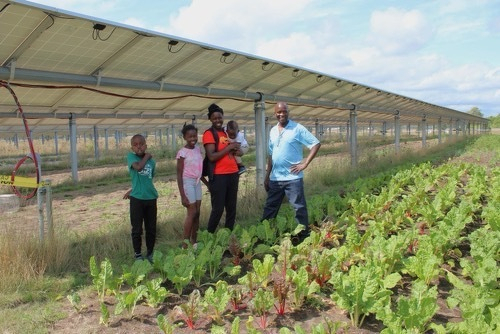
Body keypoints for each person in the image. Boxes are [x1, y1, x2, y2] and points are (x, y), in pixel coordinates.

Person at [261, 101, 321, 242]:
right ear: (275, 113)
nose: (281, 114)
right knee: (270, 208)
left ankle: (303, 235)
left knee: (298, 207)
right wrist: (267, 175)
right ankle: (265, 235)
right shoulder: (273, 130)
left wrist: (305, 163)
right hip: (276, 178)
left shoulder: (297, 128)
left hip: (293, 177)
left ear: (288, 112)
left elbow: (315, 144)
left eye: (284, 111)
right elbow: (271, 154)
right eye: (279, 112)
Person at [203, 103, 241, 233]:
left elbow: (238, 151)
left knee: (231, 208)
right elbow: (212, 156)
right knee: (218, 209)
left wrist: (237, 149)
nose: (217, 120)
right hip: (219, 176)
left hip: (233, 173)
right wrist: (229, 147)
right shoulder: (209, 134)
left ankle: (227, 237)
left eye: (219, 117)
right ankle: (209, 235)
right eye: (214, 118)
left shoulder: (227, 132)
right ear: (210, 119)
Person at [125, 134, 158, 262]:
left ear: (146, 145)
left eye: (141, 143)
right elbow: (138, 168)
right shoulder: (131, 157)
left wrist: (133, 188)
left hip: (150, 198)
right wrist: (147, 156)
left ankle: (150, 253)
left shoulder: (152, 163)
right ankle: (138, 254)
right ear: (132, 147)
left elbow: (147, 180)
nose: (139, 146)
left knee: (151, 228)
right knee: (137, 228)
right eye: (135, 144)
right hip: (137, 200)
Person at [176, 124, 208, 248]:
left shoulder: (197, 149)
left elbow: (199, 170)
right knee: (192, 212)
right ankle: (185, 243)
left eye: (194, 136)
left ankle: (194, 241)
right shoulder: (182, 153)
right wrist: (182, 195)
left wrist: (207, 184)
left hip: (197, 182)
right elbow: (179, 175)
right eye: (190, 137)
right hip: (187, 182)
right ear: (184, 137)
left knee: (197, 212)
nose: (193, 139)